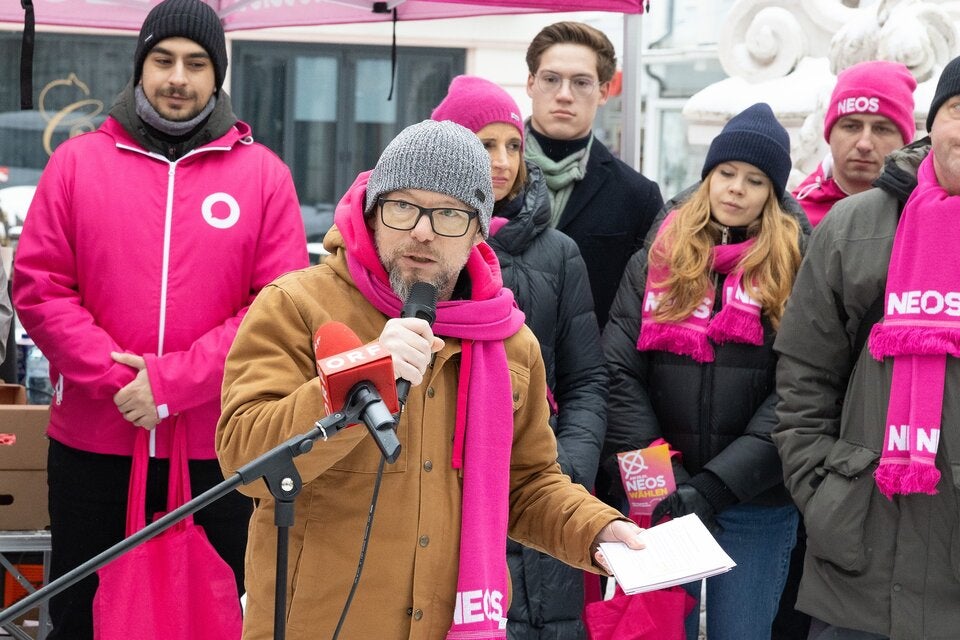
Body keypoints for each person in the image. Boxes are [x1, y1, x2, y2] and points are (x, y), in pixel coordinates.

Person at [216, 119, 645, 640]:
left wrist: (598, 529)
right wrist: (361, 374)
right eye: (404, 207)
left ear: (477, 232)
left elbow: (527, 484)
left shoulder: (510, 343)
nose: (422, 230)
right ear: (373, 212)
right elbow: (245, 458)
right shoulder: (295, 305)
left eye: (448, 214)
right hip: (315, 625)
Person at [11, 0, 309, 637]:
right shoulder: (77, 164)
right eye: (164, 59)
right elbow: (40, 288)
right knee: (80, 617)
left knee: (215, 614)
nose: (179, 77)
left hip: (219, 448)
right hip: (94, 444)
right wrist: (123, 383)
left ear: (217, 75)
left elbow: (277, 309)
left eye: (197, 63)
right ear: (140, 66)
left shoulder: (264, 177)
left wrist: (173, 385)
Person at [601, 103, 807, 640]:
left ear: (773, 193)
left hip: (756, 500)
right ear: (708, 176)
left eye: (755, 180)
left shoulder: (796, 266)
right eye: (726, 173)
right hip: (662, 494)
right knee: (659, 631)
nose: (736, 189)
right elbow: (618, 372)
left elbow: (798, 390)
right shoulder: (656, 258)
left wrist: (716, 487)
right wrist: (669, 483)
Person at [773, 56, 960, 640]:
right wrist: (826, 495)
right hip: (859, 562)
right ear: (936, 123)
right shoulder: (854, 225)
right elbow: (805, 375)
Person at [431, 75, 607, 639]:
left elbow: (585, 380)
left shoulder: (558, 253)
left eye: (513, 144)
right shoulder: (421, 249)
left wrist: (568, 466)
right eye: (485, 145)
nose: (503, 160)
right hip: (446, 486)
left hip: (537, 481)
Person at [524, 21, 663, 329]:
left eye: (581, 83)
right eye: (551, 79)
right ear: (531, 83)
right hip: (487, 366)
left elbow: (640, 312)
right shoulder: (486, 174)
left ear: (603, 92)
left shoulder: (638, 196)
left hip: (588, 371)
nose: (564, 95)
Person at [792, 60, 916, 227]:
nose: (864, 144)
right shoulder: (791, 219)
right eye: (851, 127)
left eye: (881, 129)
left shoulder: (924, 214)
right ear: (829, 133)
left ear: (905, 142)